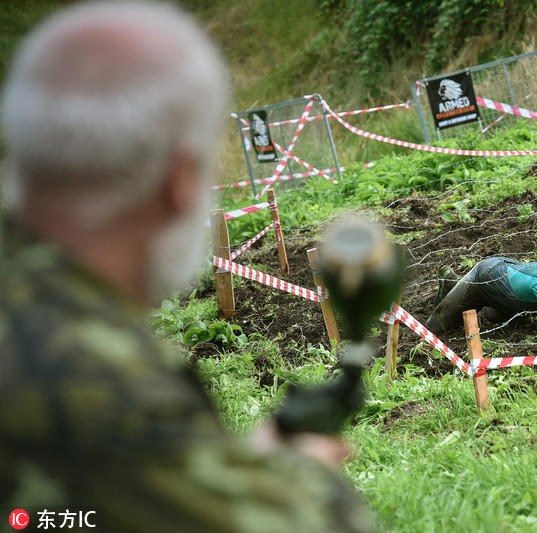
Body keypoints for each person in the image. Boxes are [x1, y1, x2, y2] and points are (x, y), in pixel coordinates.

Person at [0, 2, 374, 531]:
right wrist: (304, 475)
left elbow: (51, 515)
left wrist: (212, 470)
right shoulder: (95, 380)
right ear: (179, 182)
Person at [425, 250, 537, 336]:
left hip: (508, 292)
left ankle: (457, 284)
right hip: (486, 276)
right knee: (435, 330)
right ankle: (452, 283)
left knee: (495, 317)